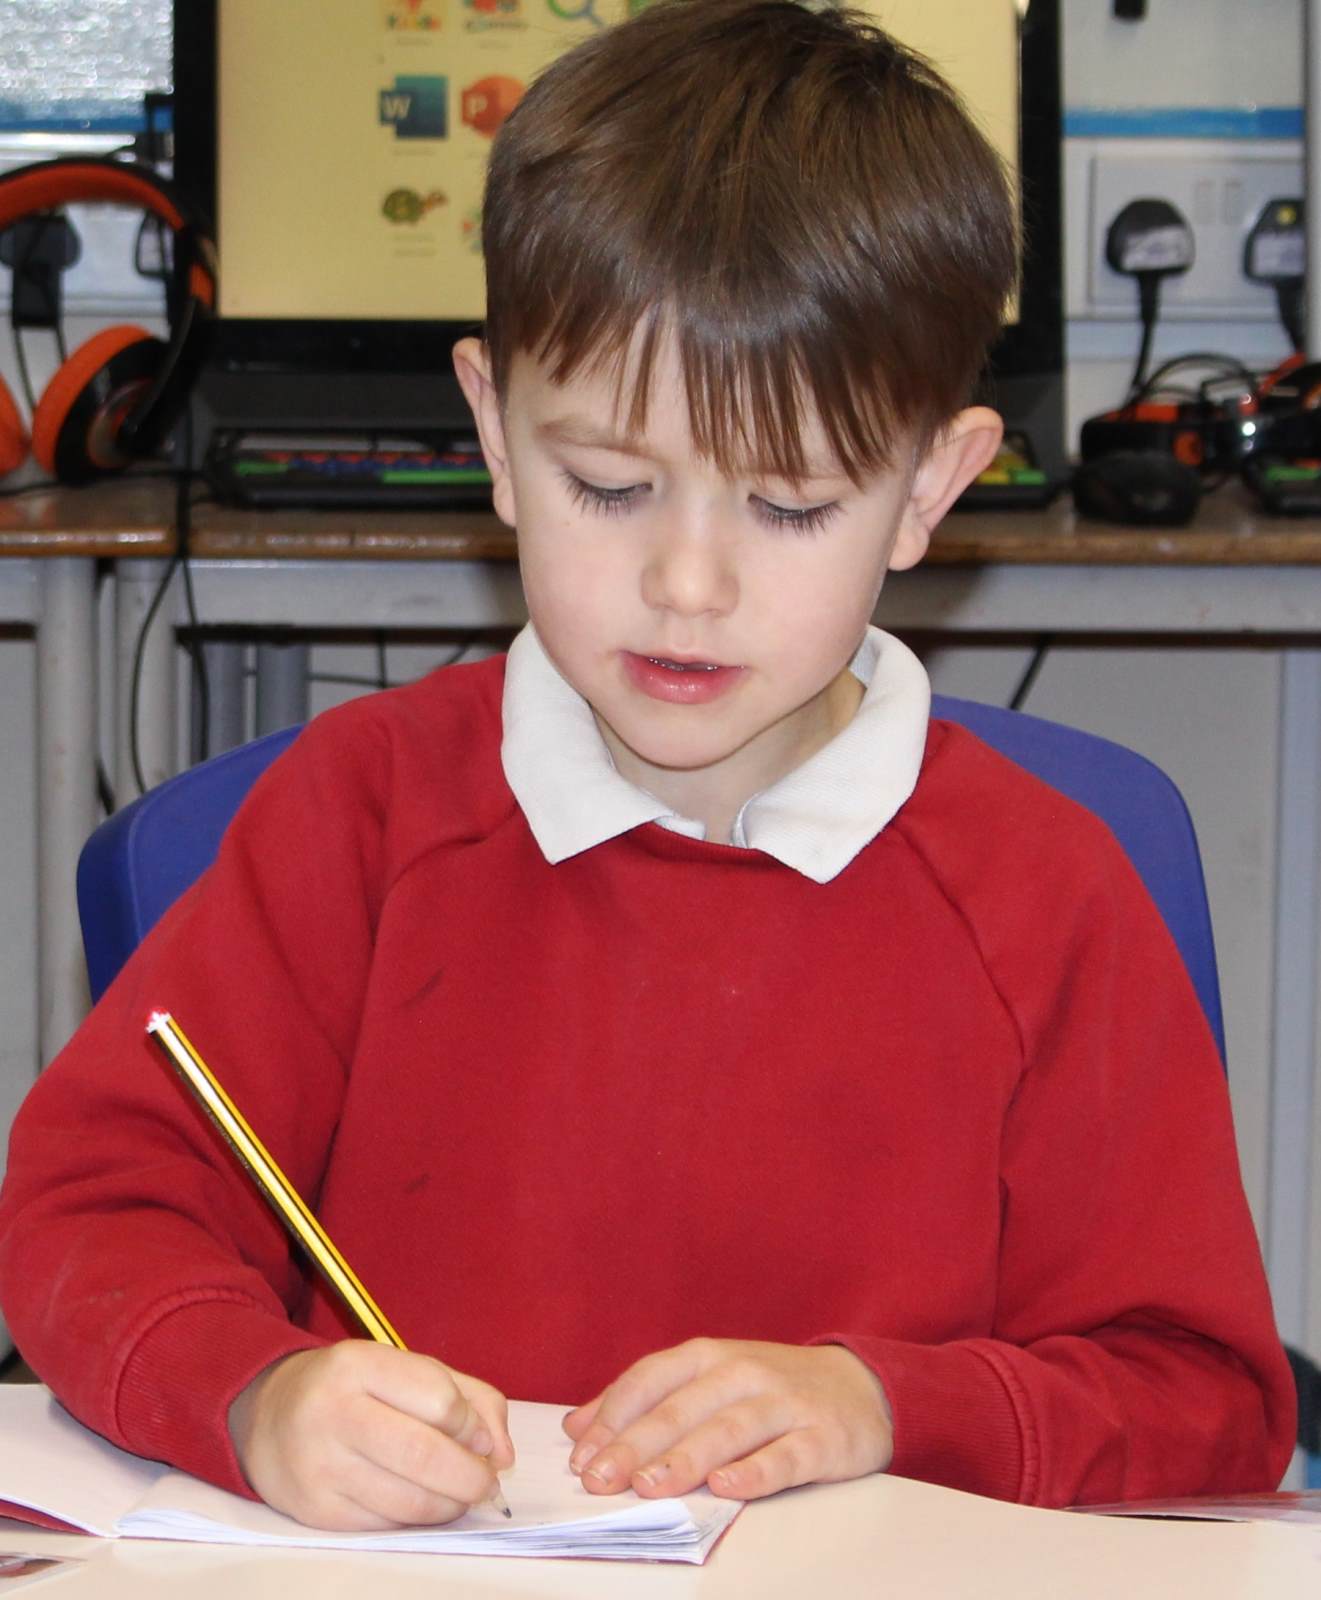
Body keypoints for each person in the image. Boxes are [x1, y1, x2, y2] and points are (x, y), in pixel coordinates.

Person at [0, 0, 1295, 1534]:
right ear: (493, 428)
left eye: (791, 507)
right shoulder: (362, 817)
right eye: (608, 486)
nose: (687, 585)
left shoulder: (1047, 892)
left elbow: (1201, 1393)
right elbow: (93, 1212)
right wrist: (253, 1391)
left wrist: (880, 1402)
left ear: (928, 488)